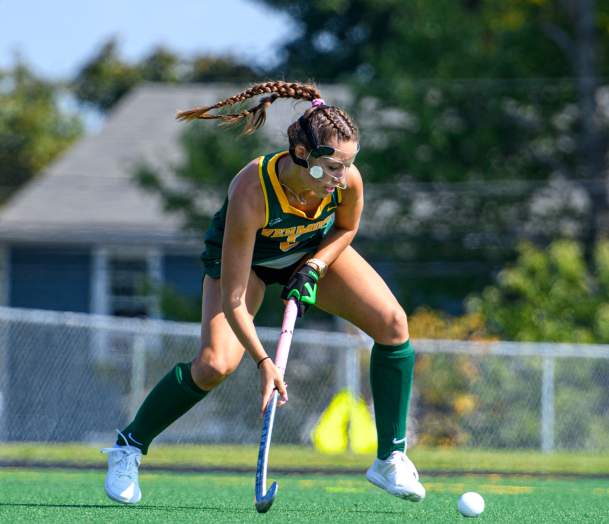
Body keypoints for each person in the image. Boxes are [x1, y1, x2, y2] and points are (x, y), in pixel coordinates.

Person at [102, 81, 425, 505]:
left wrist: (314, 266)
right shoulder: (253, 191)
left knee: (393, 324)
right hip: (247, 265)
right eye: (332, 167)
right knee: (215, 364)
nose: (341, 178)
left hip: (307, 251)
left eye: (349, 165)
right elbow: (235, 299)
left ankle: (390, 459)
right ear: (302, 154)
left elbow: (346, 228)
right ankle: (129, 446)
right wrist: (264, 362)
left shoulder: (347, 182)